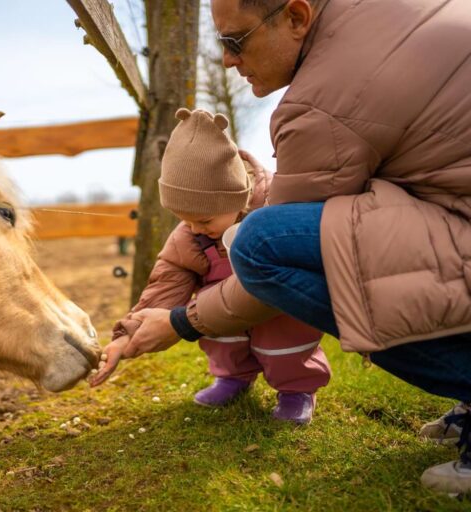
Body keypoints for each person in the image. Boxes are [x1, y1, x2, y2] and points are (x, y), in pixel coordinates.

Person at [118, 0, 471, 494]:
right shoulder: (386, 17)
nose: (226, 60)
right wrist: (146, 314)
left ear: (296, 17)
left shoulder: (320, 103)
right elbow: (172, 268)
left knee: (259, 241)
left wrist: (180, 322)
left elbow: (276, 254)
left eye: (235, 41)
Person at [91, 108, 331, 424]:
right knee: (214, 328)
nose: (193, 228)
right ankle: (233, 377)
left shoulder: (276, 212)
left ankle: (296, 390)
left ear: (237, 199)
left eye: (203, 219)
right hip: (222, 312)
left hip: (276, 309)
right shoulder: (191, 236)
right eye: (184, 219)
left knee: (283, 340)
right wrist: (127, 335)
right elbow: (164, 285)